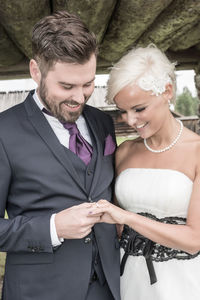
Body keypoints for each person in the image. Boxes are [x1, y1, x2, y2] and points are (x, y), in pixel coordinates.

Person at [0, 11, 120, 300]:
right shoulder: (3, 132)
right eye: (66, 86)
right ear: (35, 71)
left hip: (110, 287)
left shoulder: (103, 123)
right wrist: (52, 227)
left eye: (88, 84)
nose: (79, 97)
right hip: (39, 290)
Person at [89, 44, 200, 300]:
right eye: (122, 111)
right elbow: (112, 225)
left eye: (139, 109)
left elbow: (194, 238)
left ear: (167, 91)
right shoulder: (124, 151)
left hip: (182, 284)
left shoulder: (196, 152)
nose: (129, 120)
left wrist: (127, 218)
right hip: (128, 280)